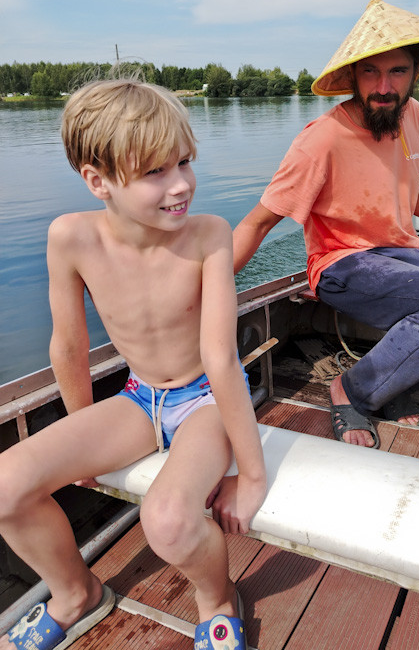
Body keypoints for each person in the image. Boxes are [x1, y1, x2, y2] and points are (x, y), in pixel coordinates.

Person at [0, 79, 266, 650]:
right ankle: (76, 594)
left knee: (168, 522)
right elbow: (68, 349)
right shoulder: (70, 238)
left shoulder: (209, 237)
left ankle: (218, 599)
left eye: (185, 163)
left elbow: (221, 358)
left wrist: (251, 474)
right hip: (138, 398)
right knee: (4, 487)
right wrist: (80, 440)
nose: (180, 186)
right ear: (98, 181)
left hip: (206, 401)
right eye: (154, 173)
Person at [233, 0, 419, 449]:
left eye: (397, 71)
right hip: (345, 263)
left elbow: (412, 192)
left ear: (416, 73)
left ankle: (393, 381)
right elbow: (258, 223)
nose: (383, 86)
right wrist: (204, 294)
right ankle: (352, 389)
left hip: (409, 253)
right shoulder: (322, 140)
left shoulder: (413, 116)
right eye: (370, 72)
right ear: (353, 78)